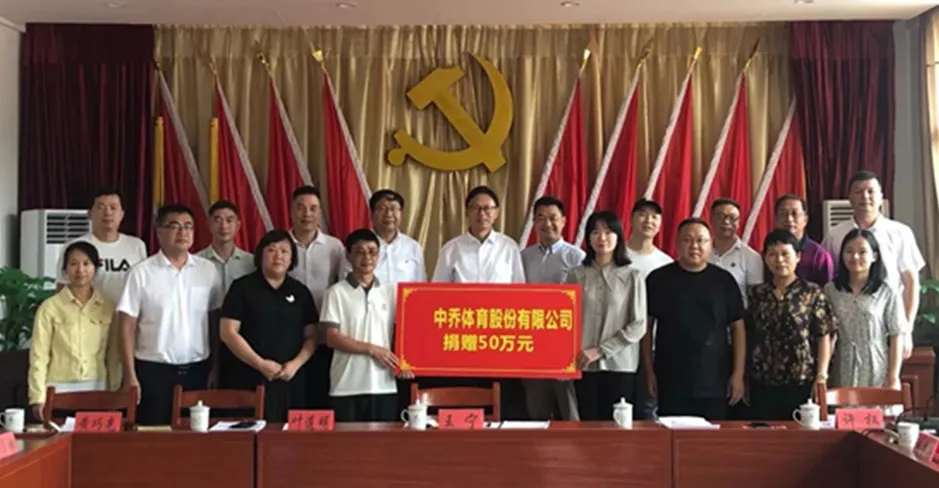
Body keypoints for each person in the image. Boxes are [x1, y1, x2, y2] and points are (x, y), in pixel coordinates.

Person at [117, 204, 224, 425]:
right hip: (154, 373)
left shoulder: (207, 270)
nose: (183, 232)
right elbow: (126, 325)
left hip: (197, 372)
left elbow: (215, 320)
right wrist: (130, 374)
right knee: (154, 435)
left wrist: (216, 366)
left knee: (195, 435)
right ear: (159, 232)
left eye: (188, 226)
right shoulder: (141, 273)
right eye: (174, 226)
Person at [431, 185, 526, 418]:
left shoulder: (509, 247)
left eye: (487, 208)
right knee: (466, 396)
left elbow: (520, 292)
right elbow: (437, 294)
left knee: (501, 398)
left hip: (499, 337)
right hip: (462, 338)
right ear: (467, 212)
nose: (482, 214)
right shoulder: (451, 249)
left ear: (496, 213)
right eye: (476, 208)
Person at [642, 218, 745, 421]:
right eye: (687, 240)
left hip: (715, 379)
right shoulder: (658, 279)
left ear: (710, 244)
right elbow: (646, 327)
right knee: (673, 435)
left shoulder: (724, 281)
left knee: (712, 436)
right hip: (670, 378)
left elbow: (738, 328)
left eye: (700, 240)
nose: (694, 246)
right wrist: (648, 371)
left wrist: (738, 375)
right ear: (677, 243)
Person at [822, 170, 924, 359]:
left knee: (888, 376)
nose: (865, 196)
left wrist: (906, 329)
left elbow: (911, 283)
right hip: (846, 327)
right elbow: (829, 281)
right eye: (858, 191)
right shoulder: (835, 235)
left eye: (871, 191)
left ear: (881, 196)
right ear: (849, 198)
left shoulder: (900, 232)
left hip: (889, 324)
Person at [220, 230, 318, 422]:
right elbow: (228, 332)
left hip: (290, 377)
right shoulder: (242, 288)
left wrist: (295, 364)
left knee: (289, 435)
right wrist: (260, 363)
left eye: (284, 251)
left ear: (292, 258)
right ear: (260, 255)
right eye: (272, 250)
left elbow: (312, 336)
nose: (278, 256)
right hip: (248, 376)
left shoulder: (300, 292)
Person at [55, 188, 147, 391]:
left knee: (123, 383)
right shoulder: (76, 246)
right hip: (90, 326)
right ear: (90, 213)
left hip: (126, 326)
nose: (108, 213)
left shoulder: (137, 246)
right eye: (101, 207)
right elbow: (61, 292)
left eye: (113, 208)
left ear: (122, 214)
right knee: (95, 382)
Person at [746, 230, 837, 420]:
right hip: (762, 381)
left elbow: (824, 335)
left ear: (798, 257)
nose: (779, 260)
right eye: (773, 254)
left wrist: (821, 376)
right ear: (765, 259)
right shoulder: (757, 294)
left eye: (785, 254)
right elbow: (749, 335)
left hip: (801, 380)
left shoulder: (812, 293)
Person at [322, 229, 411, 421]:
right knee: (347, 440)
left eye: (372, 252)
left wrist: (406, 361)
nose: (367, 258)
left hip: (384, 384)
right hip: (345, 385)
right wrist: (371, 349)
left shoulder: (391, 291)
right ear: (348, 256)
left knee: (383, 440)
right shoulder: (335, 292)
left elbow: (402, 332)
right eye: (360, 252)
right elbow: (332, 337)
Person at [567, 211, 646, 421]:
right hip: (583, 364)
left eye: (608, 232)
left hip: (620, 365)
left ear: (619, 236)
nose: (602, 238)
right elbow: (566, 320)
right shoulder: (575, 275)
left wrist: (601, 350)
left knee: (617, 427)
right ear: (588, 237)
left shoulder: (632, 276)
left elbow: (638, 324)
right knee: (588, 424)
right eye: (595, 232)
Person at [29, 242, 118, 421]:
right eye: (73, 264)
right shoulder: (50, 308)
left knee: (94, 439)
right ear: (65, 270)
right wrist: (38, 397)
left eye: (86, 264)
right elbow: (39, 355)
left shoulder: (108, 307)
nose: (80, 270)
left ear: (95, 269)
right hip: (58, 390)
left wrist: (115, 391)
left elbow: (114, 354)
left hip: (97, 388)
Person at [520, 196, 584, 421]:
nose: (547, 224)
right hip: (532, 344)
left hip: (565, 346)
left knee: (570, 411)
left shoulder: (577, 257)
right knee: (536, 412)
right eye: (541, 218)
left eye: (553, 218)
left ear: (564, 221)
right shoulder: (523, 257)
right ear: (534, 222)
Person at [287, 185, 345, 409]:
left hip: (325, 335)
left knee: (322, 396)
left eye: (313, 208)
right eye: (300, 208)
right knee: (295, 398)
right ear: (291, 211)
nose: (307, 214)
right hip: (290, 334)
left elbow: (343, 287)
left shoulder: (334, 247)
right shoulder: (280, 245)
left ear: (320, 212)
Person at [824, 229, 904, 389]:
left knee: (875, 404)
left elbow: (896, 335)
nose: (855, 257)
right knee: (843, 404)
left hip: (876, 363)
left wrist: (893, 376)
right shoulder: (831, 290)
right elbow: (827, 334)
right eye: (849, 251)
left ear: (874, 256)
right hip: (842, 364)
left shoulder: (886, 292)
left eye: (862, 252)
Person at [624, 198, 672, 420]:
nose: (648, 220)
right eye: (642, 214)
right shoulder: (617, 257)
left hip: (652, 348)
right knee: (619, 409)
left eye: (654, 216)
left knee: (647, 411)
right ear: (631, 219)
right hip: (619, 346)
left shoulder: (666, 263)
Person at [707, 198, 763, 306]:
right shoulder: (700, 252)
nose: (726, 222)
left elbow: (756, 299)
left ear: (738, 223)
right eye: (720, 216)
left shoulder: (751, 257)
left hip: (737, 315)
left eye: (732, 218)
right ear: (711, 219)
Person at [773, 194, 834, 286]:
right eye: (783, 214)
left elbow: (828, 290)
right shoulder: (770, 253)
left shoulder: (819, 256)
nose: (789, 219)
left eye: (795, 214)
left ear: (805, 219)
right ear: (776, 219)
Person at [197, 200, 255, 294]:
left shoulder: (251, 263)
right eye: (218, 220)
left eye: (229, 220)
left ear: (238, 225)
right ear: (209, 225)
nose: (224, 226)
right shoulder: (195, 262)